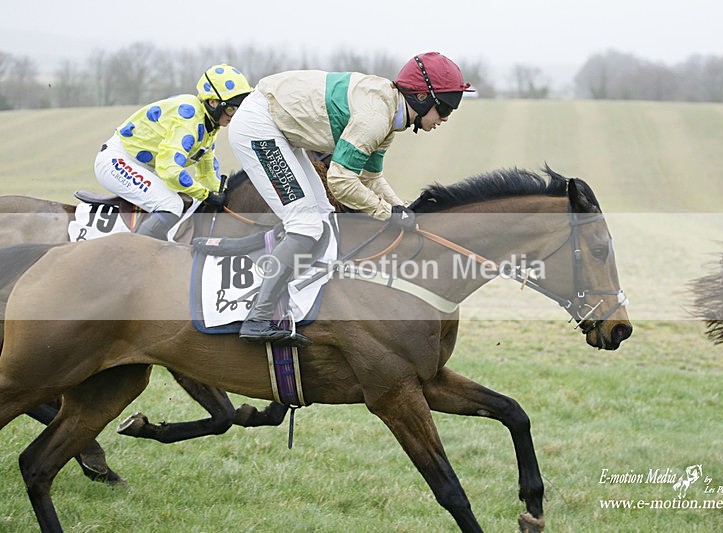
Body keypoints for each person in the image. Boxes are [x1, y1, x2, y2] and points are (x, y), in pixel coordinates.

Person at [228, 52, 473, 346]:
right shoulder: (375, 118)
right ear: (421, 97)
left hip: (279, 126)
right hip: (260, 126)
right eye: (445, 107)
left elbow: (370, 178)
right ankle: (259, 317)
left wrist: (403, 210)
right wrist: (387, 213)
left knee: (322, 214)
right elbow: (341, 180)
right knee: (306, 224)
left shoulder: (390, 113)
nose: (445, 118)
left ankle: (296, 298)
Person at [95, 64, 253, 240]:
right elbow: (170, 170)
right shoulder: (188, 119)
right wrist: (206, 194)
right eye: (231, 108)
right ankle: (134, 256)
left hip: (143, 166)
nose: (234, 116)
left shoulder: (209, 125)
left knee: (194, 203)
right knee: (171, 204)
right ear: (213, 102)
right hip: (117, 161)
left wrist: (219, 192)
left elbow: (206, 170)